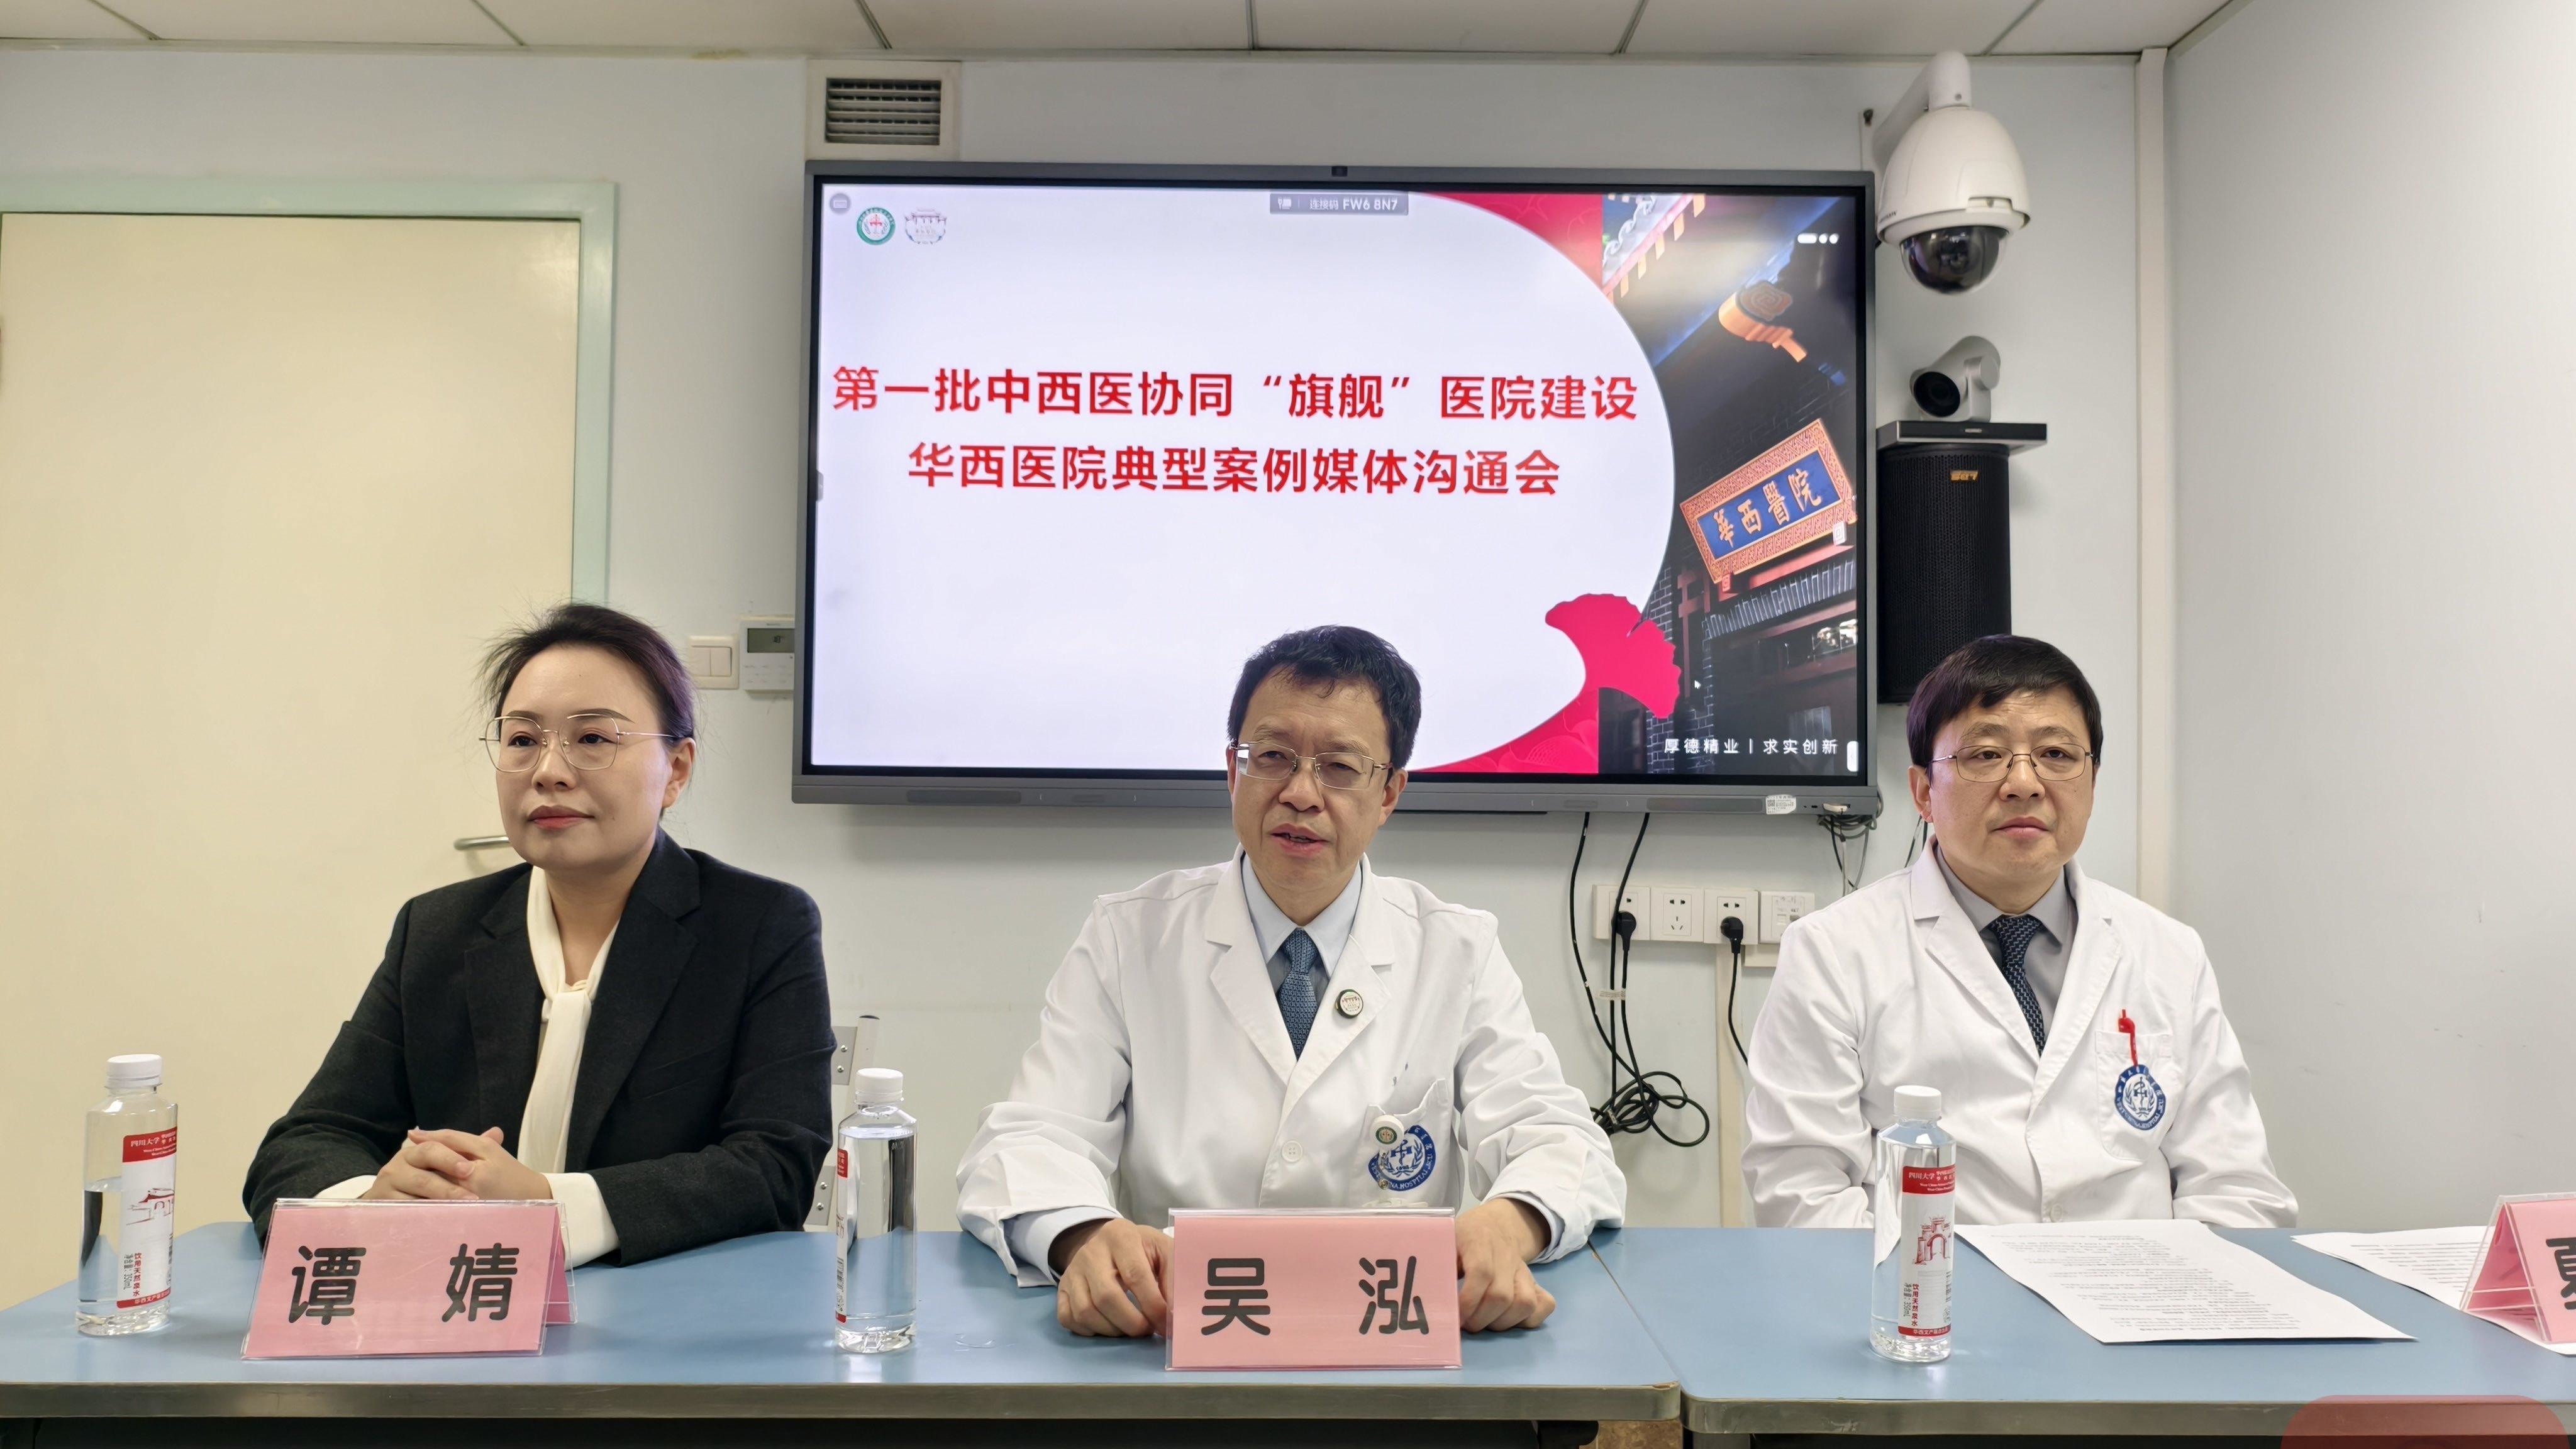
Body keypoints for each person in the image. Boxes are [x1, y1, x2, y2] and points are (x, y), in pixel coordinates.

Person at [957, 626, 1624, 1336]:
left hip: (1389, 1340)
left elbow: (1560, 1141)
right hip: (1181, 1333)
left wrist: (1508, 1224)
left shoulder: (1455, 948)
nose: (1301, 794)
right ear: (1232, 770)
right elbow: (1029, 1139)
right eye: (1272, 757)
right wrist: (1084, 1234)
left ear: (1389, 792)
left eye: (1339, 766)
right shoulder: (1130, 937)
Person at [243, 603, 835, 1266]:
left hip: (666, 1307)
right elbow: (308, 1139)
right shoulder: (436, 930)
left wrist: (548, 1206)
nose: (549, 770)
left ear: (675, 770)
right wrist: (373, 1203)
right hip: (456, 1301)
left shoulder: (760, 926)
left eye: (594, 738)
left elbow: (777, 1164)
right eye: (523, 740)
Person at [1743, 635, 2295, 1228]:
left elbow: (2235, 1186)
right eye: (1986, 755)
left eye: (2057, 754)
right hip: (1934, 1285)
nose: (2025, 783)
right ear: (1924, 792)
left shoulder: (2169, 952)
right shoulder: (1833, 953)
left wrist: (2169, 1284)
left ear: (2092, 782)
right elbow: (1803, 1195)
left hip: (2139, 1284)